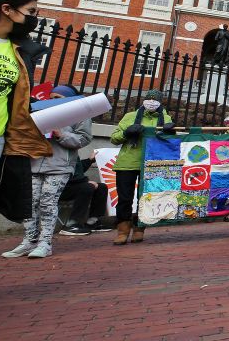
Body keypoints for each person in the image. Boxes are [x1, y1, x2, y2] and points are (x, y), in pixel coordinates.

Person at [2, 84, 92, 259]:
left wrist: (60, 134)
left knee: (47, 203)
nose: (52, 100)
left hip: (59, 166)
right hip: (35, 163)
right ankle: (29, 241)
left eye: (57, 97)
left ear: (69, 98)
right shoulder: (39, 112)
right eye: (51, 97)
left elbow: (84, 139)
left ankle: (45, 243)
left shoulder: (79, 114)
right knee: (30, 203)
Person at [0, 0, 52, 224]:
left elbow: (16, 95)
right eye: (31, 11)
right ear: (7, 9)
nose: (34, 18)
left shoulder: (20, 50)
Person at [109, 89, 175, 245]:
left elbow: (168, 143)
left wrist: (169, 133)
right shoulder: (130, 117)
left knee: (145, 198)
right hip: (128, 162)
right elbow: (114, 138)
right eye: (149, 99)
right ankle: (123, 230)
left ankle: (139, 228)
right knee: (125, 198)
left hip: (150, 163)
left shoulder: (165, 117)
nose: (151, 102)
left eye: (155, 99)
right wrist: (127, 133)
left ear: (160, 102)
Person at [58, 148, 110, 235]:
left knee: (102, 187)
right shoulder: (60, 152)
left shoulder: (71, 151)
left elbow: (78, 169)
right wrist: (85, 182)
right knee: (87, 187)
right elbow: (63, 174)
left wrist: (90, 160)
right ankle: (72, 224)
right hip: (58, 190)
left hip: (71, 186)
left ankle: (92, 222)